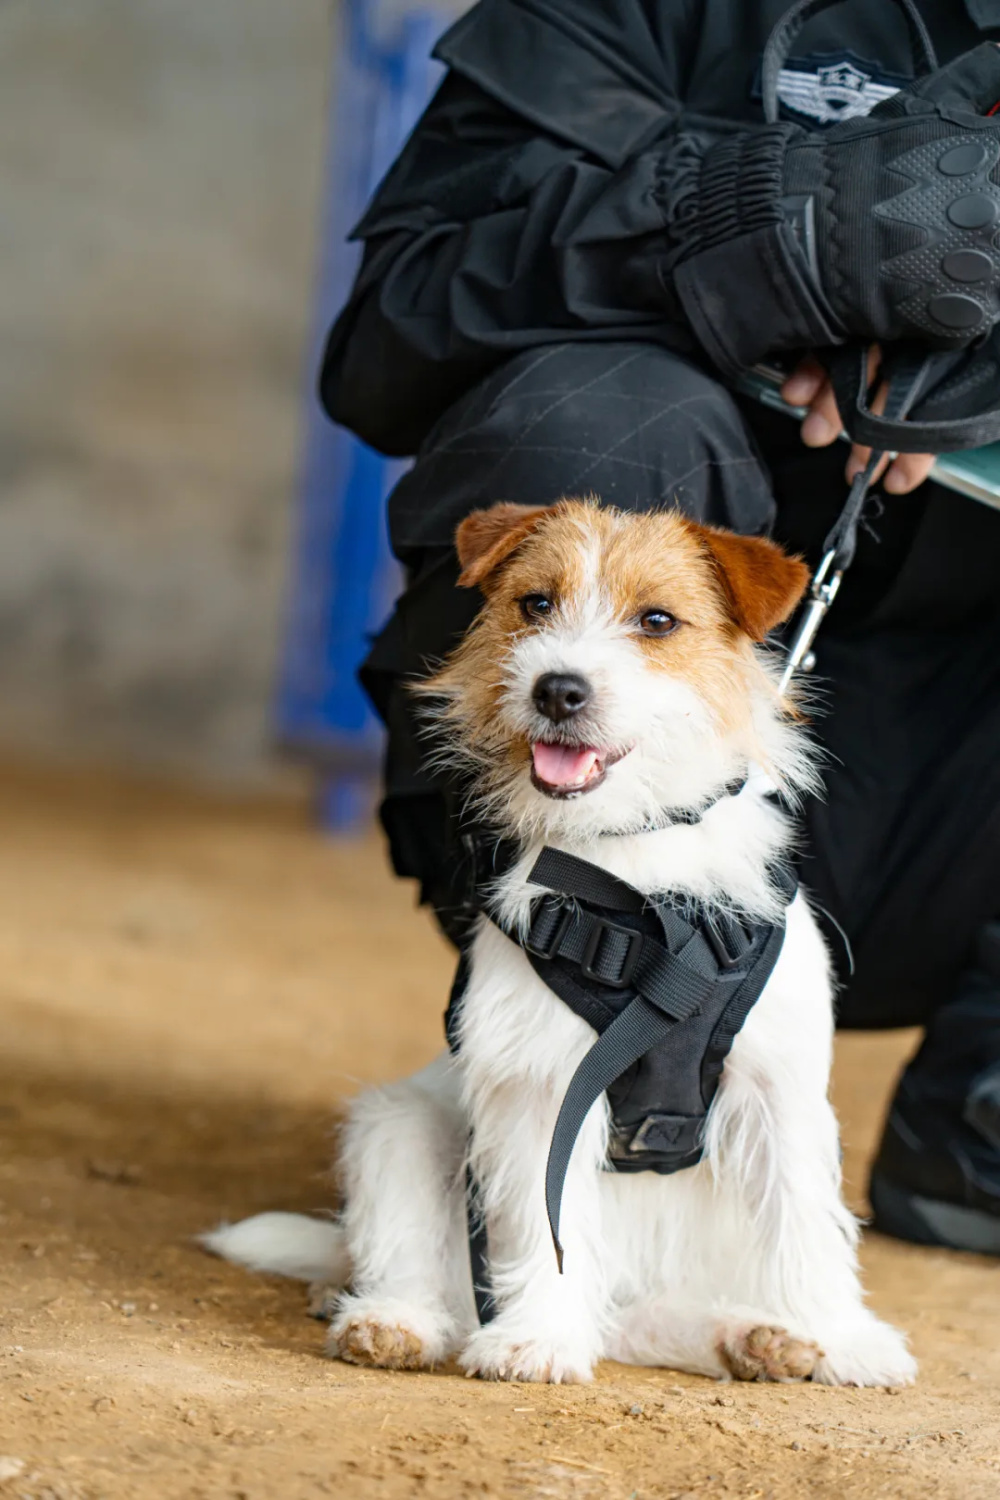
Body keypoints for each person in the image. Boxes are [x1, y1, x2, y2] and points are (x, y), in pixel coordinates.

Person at [320, 0, 1000, 1254]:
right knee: (592, 427)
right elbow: (389, 335)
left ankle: (979, 1129)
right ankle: (553, 1093)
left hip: (947, 809)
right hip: (588, 801)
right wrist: (760, 229)